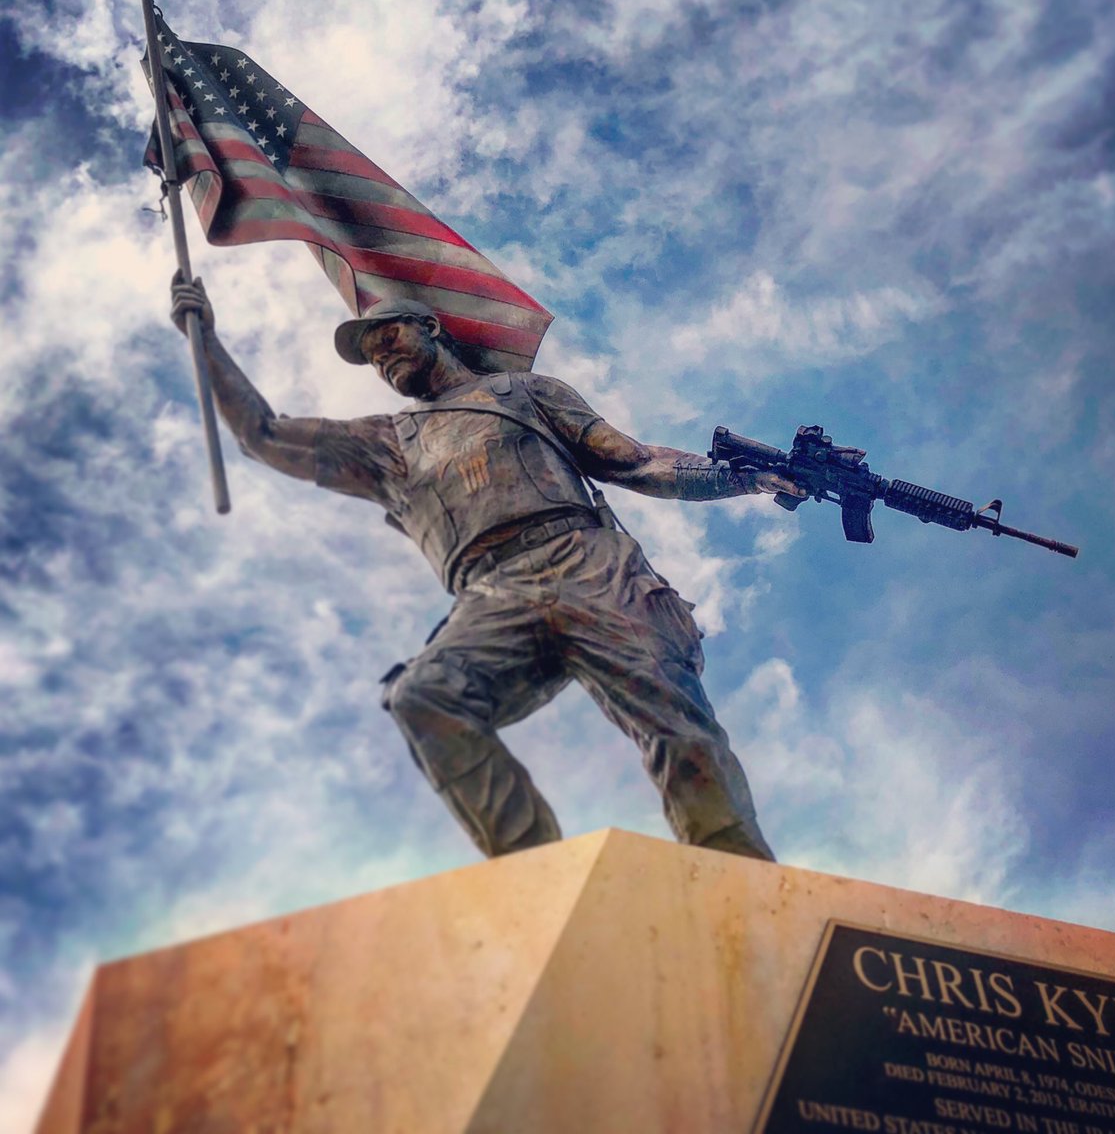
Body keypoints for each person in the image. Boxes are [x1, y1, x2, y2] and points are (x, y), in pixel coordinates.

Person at [170, 275, 805, 861]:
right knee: (425, 696)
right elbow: (263, 434)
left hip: (590, 566)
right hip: (493, 592)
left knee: (679, 731)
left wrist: (737, 477)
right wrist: (207, 342)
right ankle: (538, 877)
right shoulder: (387, 443)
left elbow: (633, 461)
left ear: (430, 327)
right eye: (370, 356)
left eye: (388, 336)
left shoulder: (526, 393)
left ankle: (741, 878)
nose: (381, 357)